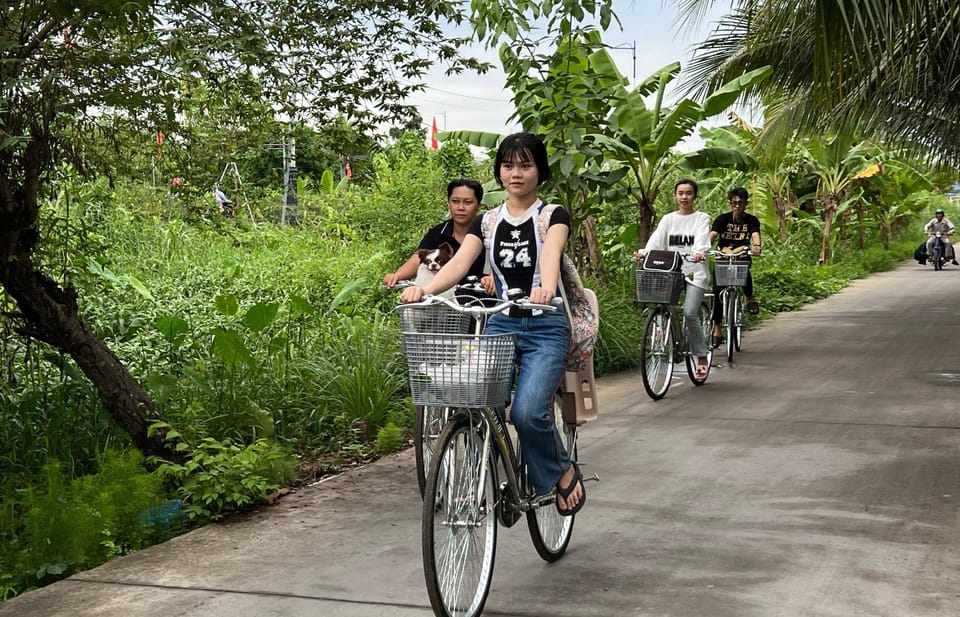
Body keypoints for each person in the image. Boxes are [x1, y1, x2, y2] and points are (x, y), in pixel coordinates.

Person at [400, 132, 585, 516]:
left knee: (527, 412)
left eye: (525, 165)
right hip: (500, 326)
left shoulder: (553, 215)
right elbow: (459, 262)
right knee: (474, 404)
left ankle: (561, 470)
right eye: (508, 165)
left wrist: (545, 288)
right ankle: (478, 477)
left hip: (545, 326)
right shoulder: (486, 221)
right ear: (499, 172)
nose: (516, 173)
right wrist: (427, 290)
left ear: (539, 170)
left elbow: (551, 251)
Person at [636, 179, 712, 379]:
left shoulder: (701, 218)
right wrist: (645, 253)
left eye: (688, 193)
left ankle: (702, 356)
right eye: (680, 193)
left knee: (689, 312)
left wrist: (699, 252)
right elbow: (656, 239)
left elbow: (703, 239)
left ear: (695, 196)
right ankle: (668, 338)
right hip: (673, 272)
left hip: (695, 272)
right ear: (675, 195)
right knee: (661, 305)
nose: (684, 197)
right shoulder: (668, 219)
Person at [383, 178, 489, 291]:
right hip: (444, 299)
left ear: (479, 205)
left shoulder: (489, 231)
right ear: (448, 203)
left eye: (468, 202)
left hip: (484, 300)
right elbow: (417, 259)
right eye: (455, 201)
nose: (460, 207)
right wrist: (397, 276)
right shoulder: (438, 232)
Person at [709, 187, 762, 348]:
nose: (737, 205)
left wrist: (757, 246)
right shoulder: (722, 219)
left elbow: (755, 235)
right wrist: (704, 246)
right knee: (717, 292)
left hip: (741, 254)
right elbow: (712, 234)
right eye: (734, 202)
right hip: (723, 256)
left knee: (744, 269)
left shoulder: (751, 220)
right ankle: (717, 328)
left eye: (740, 202)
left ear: (746, 203)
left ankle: (749, 298)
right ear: (730, 203)